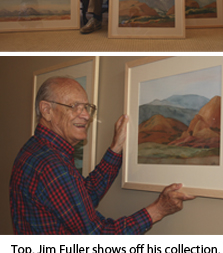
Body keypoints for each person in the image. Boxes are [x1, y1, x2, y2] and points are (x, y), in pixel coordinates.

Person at [10, 77, 195, 235]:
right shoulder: (52, 165)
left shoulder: (35, 149)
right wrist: (158, 210)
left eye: (86, 107)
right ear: (47, 110)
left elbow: (82, 198)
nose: (85, 116)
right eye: (74, 106)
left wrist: (116, 148)